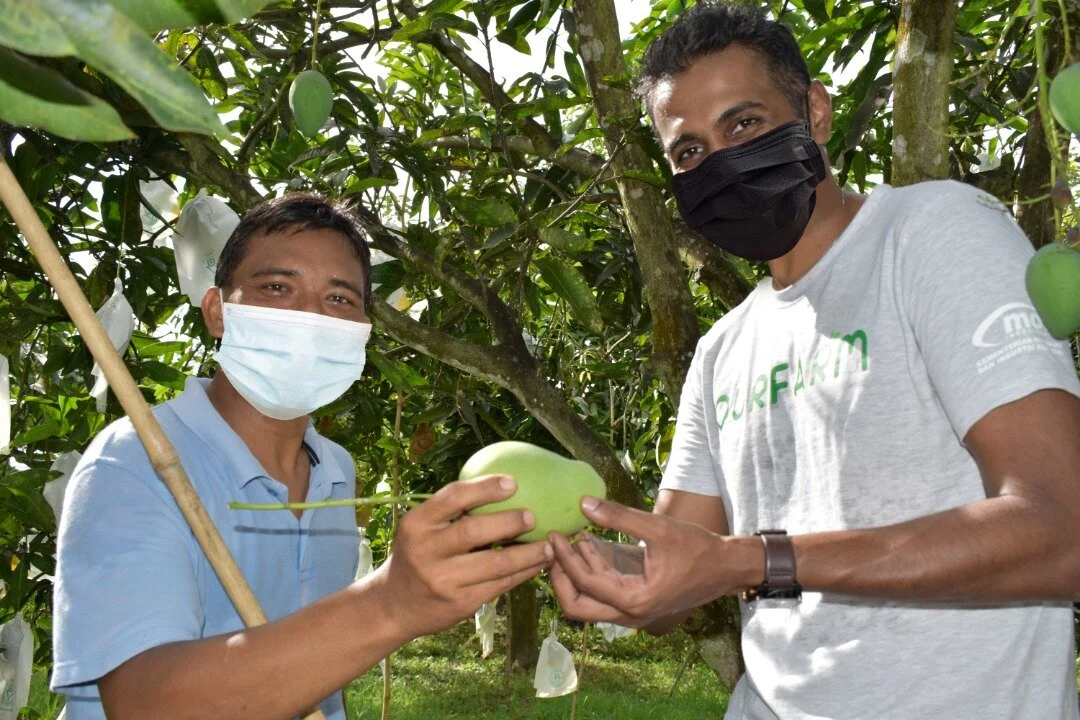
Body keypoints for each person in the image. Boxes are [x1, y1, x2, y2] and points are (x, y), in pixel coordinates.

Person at [547, 4, 1080, 719]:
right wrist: (557, 553)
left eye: (744, 125)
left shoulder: (932, 234)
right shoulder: (722, 350)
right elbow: (676, 569)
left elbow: (1061, 530)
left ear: (816, 111)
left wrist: (752, 561)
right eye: (689, 153)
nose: (721, 163)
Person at [52, 193, 553, 720]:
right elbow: (142, 702)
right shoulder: (132, 462)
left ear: (363, 330)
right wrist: (390, 603)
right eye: (277, 288)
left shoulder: (335, 470)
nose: (310, 316)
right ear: (218, 312)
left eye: (339, 299)